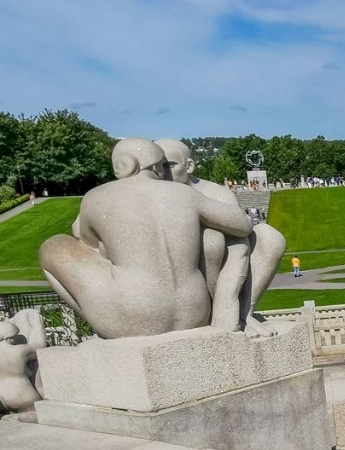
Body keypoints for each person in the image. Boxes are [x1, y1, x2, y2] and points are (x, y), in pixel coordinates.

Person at [40, 138, 252, 339]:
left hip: (132, 317)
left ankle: (103, 326)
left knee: (53, 247)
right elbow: (243, 225)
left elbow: (88, 245)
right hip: (196, 310)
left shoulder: (96, 197)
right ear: (155, 166)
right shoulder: (185, 193)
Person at [156, 139, 284, 337]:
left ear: (189, 166)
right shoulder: (151, 198)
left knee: (269, 237)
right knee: (211, 241)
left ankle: (243, 313)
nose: (162, 173)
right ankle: (219, 315)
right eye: (157, 167)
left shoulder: (216, 193)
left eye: (169, 165)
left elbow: (241, 238)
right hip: (177, 284)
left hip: (228, 270)